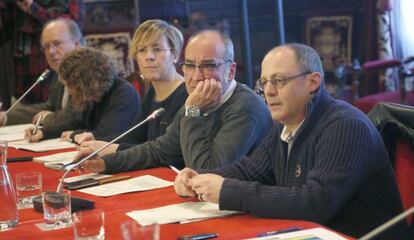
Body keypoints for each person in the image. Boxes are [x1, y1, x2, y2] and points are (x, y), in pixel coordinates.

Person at [174, 43, 410, 239]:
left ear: (313, 82)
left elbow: (316, 202)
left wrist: (226, 190)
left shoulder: (345, 125)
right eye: (264, 83)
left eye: (278, 81)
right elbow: (249, 170)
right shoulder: (287, 123)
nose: (269, 91)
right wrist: (198, 177)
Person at [75, 30, 273, 173]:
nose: (196, 76)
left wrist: (194, 111)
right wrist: (106, 162)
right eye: (189, 66)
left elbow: (206, 170)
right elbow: (160, 150)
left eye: (208, 66)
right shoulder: (197, 100)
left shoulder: (245, 108)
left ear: (230, 71)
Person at [74, 19, 188, 148]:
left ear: (175, 54)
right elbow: (134, 137)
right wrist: (98, 141)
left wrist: (110, 149)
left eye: (157, 49)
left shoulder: (186, 94)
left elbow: (164, 151)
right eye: (142, 50)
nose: (149, 56)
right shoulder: (152, 92)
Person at [24, 47, 141, 143]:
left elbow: (105, 135)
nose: (69, 92)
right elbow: (78, 122)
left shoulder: (124, 94)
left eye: (70, 86)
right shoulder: (94, 95)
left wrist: (73, 135)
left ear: (85, 83)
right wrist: (44, 132)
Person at [0, 0, 84, 108]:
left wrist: (32, 7)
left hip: (55, 73)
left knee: (56, 108)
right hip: (22, 77)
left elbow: (72, 26)